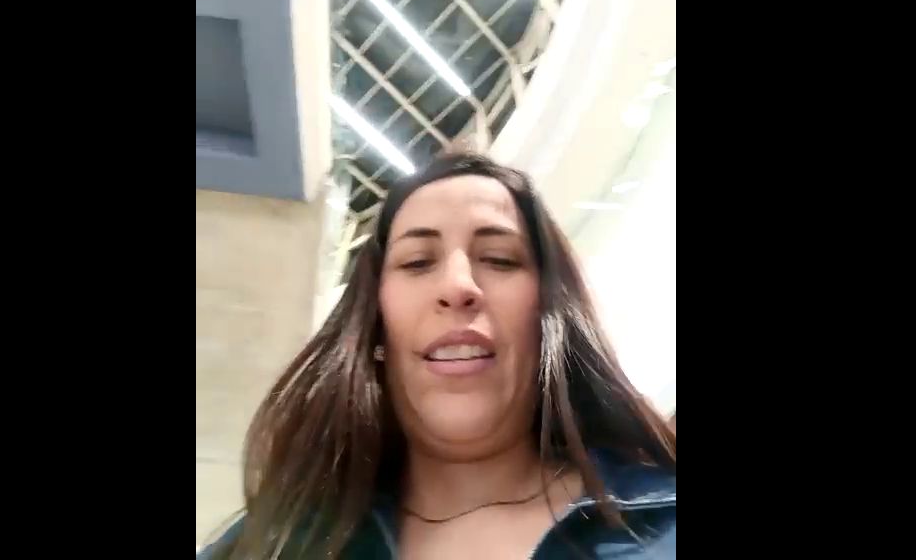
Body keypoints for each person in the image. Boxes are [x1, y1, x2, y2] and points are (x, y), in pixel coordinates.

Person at [199, 153, 676, 559]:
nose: (458, 285)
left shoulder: (664, 525)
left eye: (499, 259)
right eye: (417, 262)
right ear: (376, 323)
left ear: (548, 318)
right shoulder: (268, 543)